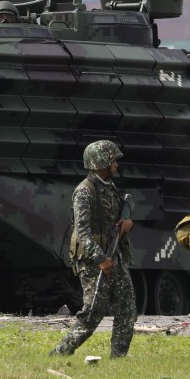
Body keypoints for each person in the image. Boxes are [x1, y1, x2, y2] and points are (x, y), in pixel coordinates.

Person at [50, 140, 137, 358]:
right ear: (102, 163)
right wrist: (100, 259)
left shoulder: (111, 188)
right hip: (92, 260)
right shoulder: (84, 191)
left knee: (127, 310)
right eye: (113, 161)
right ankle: (61, 353)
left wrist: (128, 224)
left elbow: (120, 219)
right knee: (92, 313)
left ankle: (118, 358)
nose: (116, 165)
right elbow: (82, 231)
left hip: (115, 255)